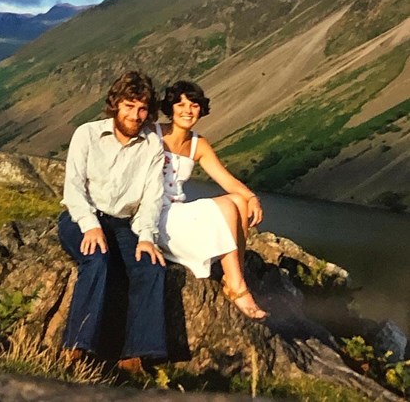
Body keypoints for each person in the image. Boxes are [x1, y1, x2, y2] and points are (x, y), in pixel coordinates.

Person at [58, 71, 167, 373]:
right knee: (97, 259)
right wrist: (89, 225)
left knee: (151, 265)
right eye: (129, 106)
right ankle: (77, 349)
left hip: (123, 224)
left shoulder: (152, 145)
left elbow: (152, 197)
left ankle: (136, 356)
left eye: (142, 108)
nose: (136, 115)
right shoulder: (88, 134)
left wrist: (146, 235)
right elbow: (74, 188)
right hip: (82, 217)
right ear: (116, 104)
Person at [156, 80, 267, 320]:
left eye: (194, 105)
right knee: (227, 204)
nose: (187, 110)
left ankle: (232, 275)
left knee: (238, 200)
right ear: (170, 107)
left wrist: (252, 198)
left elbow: (227, 181)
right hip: (155, 215)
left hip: (177, 211)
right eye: (180, 104)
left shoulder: (198, 143)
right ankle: (238, 287)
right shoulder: (154, 134)